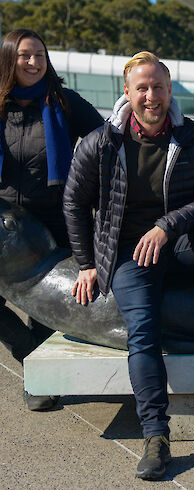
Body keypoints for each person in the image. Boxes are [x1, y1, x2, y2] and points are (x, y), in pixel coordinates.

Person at [62, 51, 194, 480]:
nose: (152, 96)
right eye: (142, 88)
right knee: (143, 335)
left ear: (170, 90)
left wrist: (167, 226)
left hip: (179, 243)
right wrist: (87, 263)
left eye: (159, 87)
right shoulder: (100, 142)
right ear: (126, 93)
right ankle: (155, 436)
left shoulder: (193, 137)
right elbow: (73, 202)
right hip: (129, 256)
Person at [0, 28, 103, 411]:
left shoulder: (64, 102)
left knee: (47, 301)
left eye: (40, 54)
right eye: (25, 55)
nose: (33, 62)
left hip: (55, 215)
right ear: (10, 59)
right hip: (6, 218)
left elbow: (103, 141)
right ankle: (30, 354)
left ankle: (40, 379)